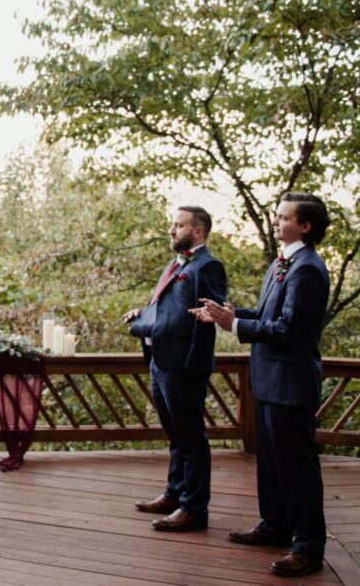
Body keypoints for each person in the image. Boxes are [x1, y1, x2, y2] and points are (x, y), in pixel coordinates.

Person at [196, 193, 331, 578]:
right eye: (276, 216)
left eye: (283, 217)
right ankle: (275, 525)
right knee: (271, 463)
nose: (276, 222)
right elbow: (269, 315)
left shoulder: (308, 268)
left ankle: (307, 547)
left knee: (297, 468)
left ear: (305, 225)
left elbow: (289, 329)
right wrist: (229, 313)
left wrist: (234, 327)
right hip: (269, 379)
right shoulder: (280, 263)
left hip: (291, 383)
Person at [124, 207, 226, 532]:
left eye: (178, 225)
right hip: (161, 361)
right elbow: (169, 309)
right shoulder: (175, 263)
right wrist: (144, 313)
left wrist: (193, 366)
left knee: (191, 437)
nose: (171, 229)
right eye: (173, 223)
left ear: (197, 232)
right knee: (175, 435)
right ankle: (174, 493)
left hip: (184, 366)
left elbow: (206, 319)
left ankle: (194, 508)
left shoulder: (208, 266)